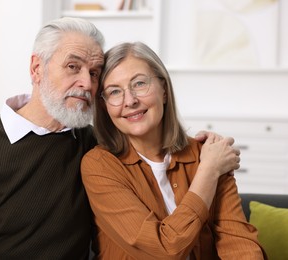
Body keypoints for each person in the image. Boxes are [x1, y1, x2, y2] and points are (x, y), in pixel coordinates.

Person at [0, 17, 229, 259]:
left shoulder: (95, 145)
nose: (86, 82)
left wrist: (206, 150)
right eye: (73, 67)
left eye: (95, 73)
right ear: (37, 68)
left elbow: (152, 146)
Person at [81, 42, 267, 259]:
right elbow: (163, 251)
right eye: (114, 92)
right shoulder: (99, 166)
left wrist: (209, 164)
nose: (130, 101)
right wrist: (208, 172)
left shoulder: (207, 154)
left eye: (140, 83)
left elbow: (238, 244)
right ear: (104, 106)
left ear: (165, 91)